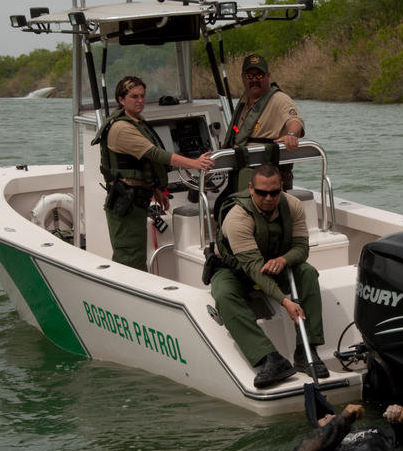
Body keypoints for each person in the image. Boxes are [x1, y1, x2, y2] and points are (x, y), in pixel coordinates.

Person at [210, 164, 329, 388]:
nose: (268, 198)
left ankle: (306, 350)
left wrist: (284, 260)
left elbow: (302, 248)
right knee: (224, 295)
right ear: (251, 189)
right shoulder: (238, 218)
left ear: (281, 188)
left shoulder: (292, 205)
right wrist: (285, 302)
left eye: (274, 192)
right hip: (237, 270)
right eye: (262, 192)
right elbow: (254, 269)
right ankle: (269, 358)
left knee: (308, 273)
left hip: (275, 265)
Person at [93, 76, 215, 271]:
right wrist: (195, 163)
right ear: (121, 99)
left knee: (137, 256)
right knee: (130, 260)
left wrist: (156, 190)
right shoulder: (122, 128)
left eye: (142, 96)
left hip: (137, 199)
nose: (140, 100)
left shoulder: (136, 122)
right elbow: (155, 154)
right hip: (126, 204)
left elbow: (142, 164)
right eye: (134, 96)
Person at [222, 54, 305, 190]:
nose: (254, 80)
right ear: (243, 77)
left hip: (267, 178)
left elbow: (295, 121)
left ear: (268, 76)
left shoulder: (279, 99)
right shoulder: (244, 101)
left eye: (259, 75)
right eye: (250, 76)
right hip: (241, 171)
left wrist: (291, 135)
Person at [296, 403, 403, 451]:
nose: (327, 416)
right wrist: (343, 420)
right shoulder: (326, 445)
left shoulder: (374, 429)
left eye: (330, 414)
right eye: (322, 419)